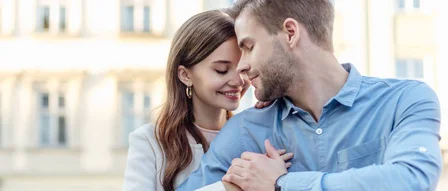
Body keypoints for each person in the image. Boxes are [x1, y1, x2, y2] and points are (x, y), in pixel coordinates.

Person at [178, 0, 442, 190]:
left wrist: (282, 184)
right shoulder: (246, 130)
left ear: (290, 33)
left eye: (249, 47)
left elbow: (411, 179)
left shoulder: (404, 101)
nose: (241, 66)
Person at [122, 10, 293, 191]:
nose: (238, 82)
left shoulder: (256, 134)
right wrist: (228, 187)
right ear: (185, 75)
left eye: (242, 69)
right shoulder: (150, 142)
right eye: (221, 70)